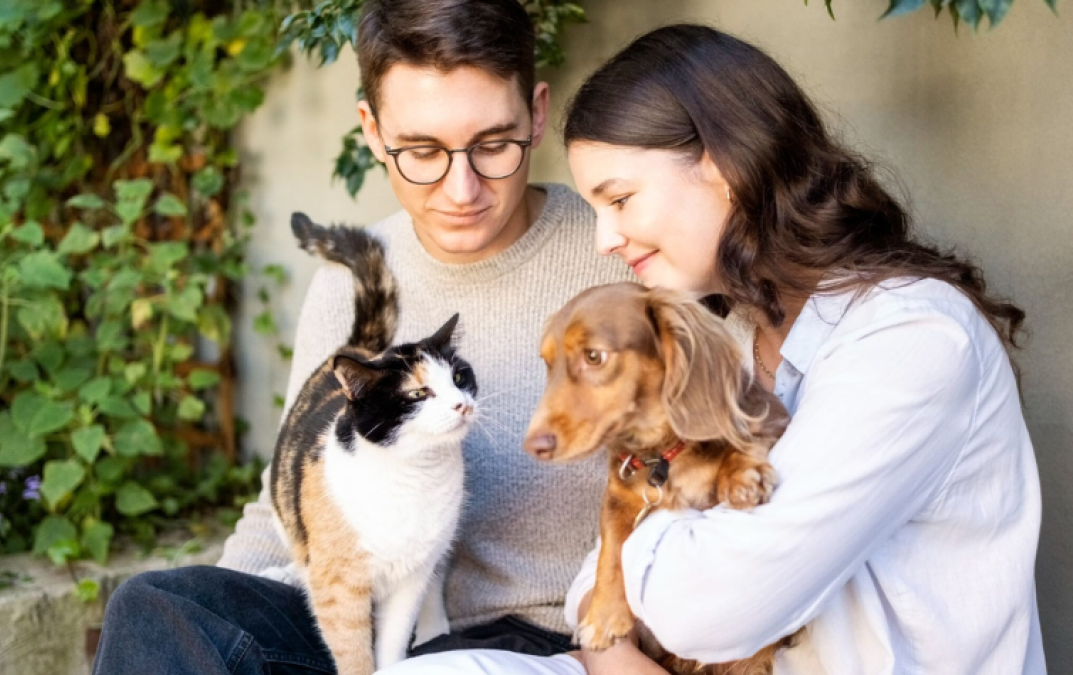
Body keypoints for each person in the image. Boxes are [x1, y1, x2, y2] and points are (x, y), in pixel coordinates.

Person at [380, 24, 1045, 675]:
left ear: (724, 168)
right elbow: (594, 582)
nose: (605, 237)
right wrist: (611, 646)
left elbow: (715, 606)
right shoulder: (721, 332)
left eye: (620, 199)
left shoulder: (913, 339)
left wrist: (634, 540)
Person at [90, 1, 632, 674]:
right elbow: (292, 493)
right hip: (366, 632)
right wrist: (204, 628)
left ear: (538, 113)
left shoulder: (620, 250)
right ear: (372, 131)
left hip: (539, 643)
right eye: (423, 151)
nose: (462, 188)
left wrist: (620, 645)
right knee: (156, 605)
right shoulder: (354, 282)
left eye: (494, 144)